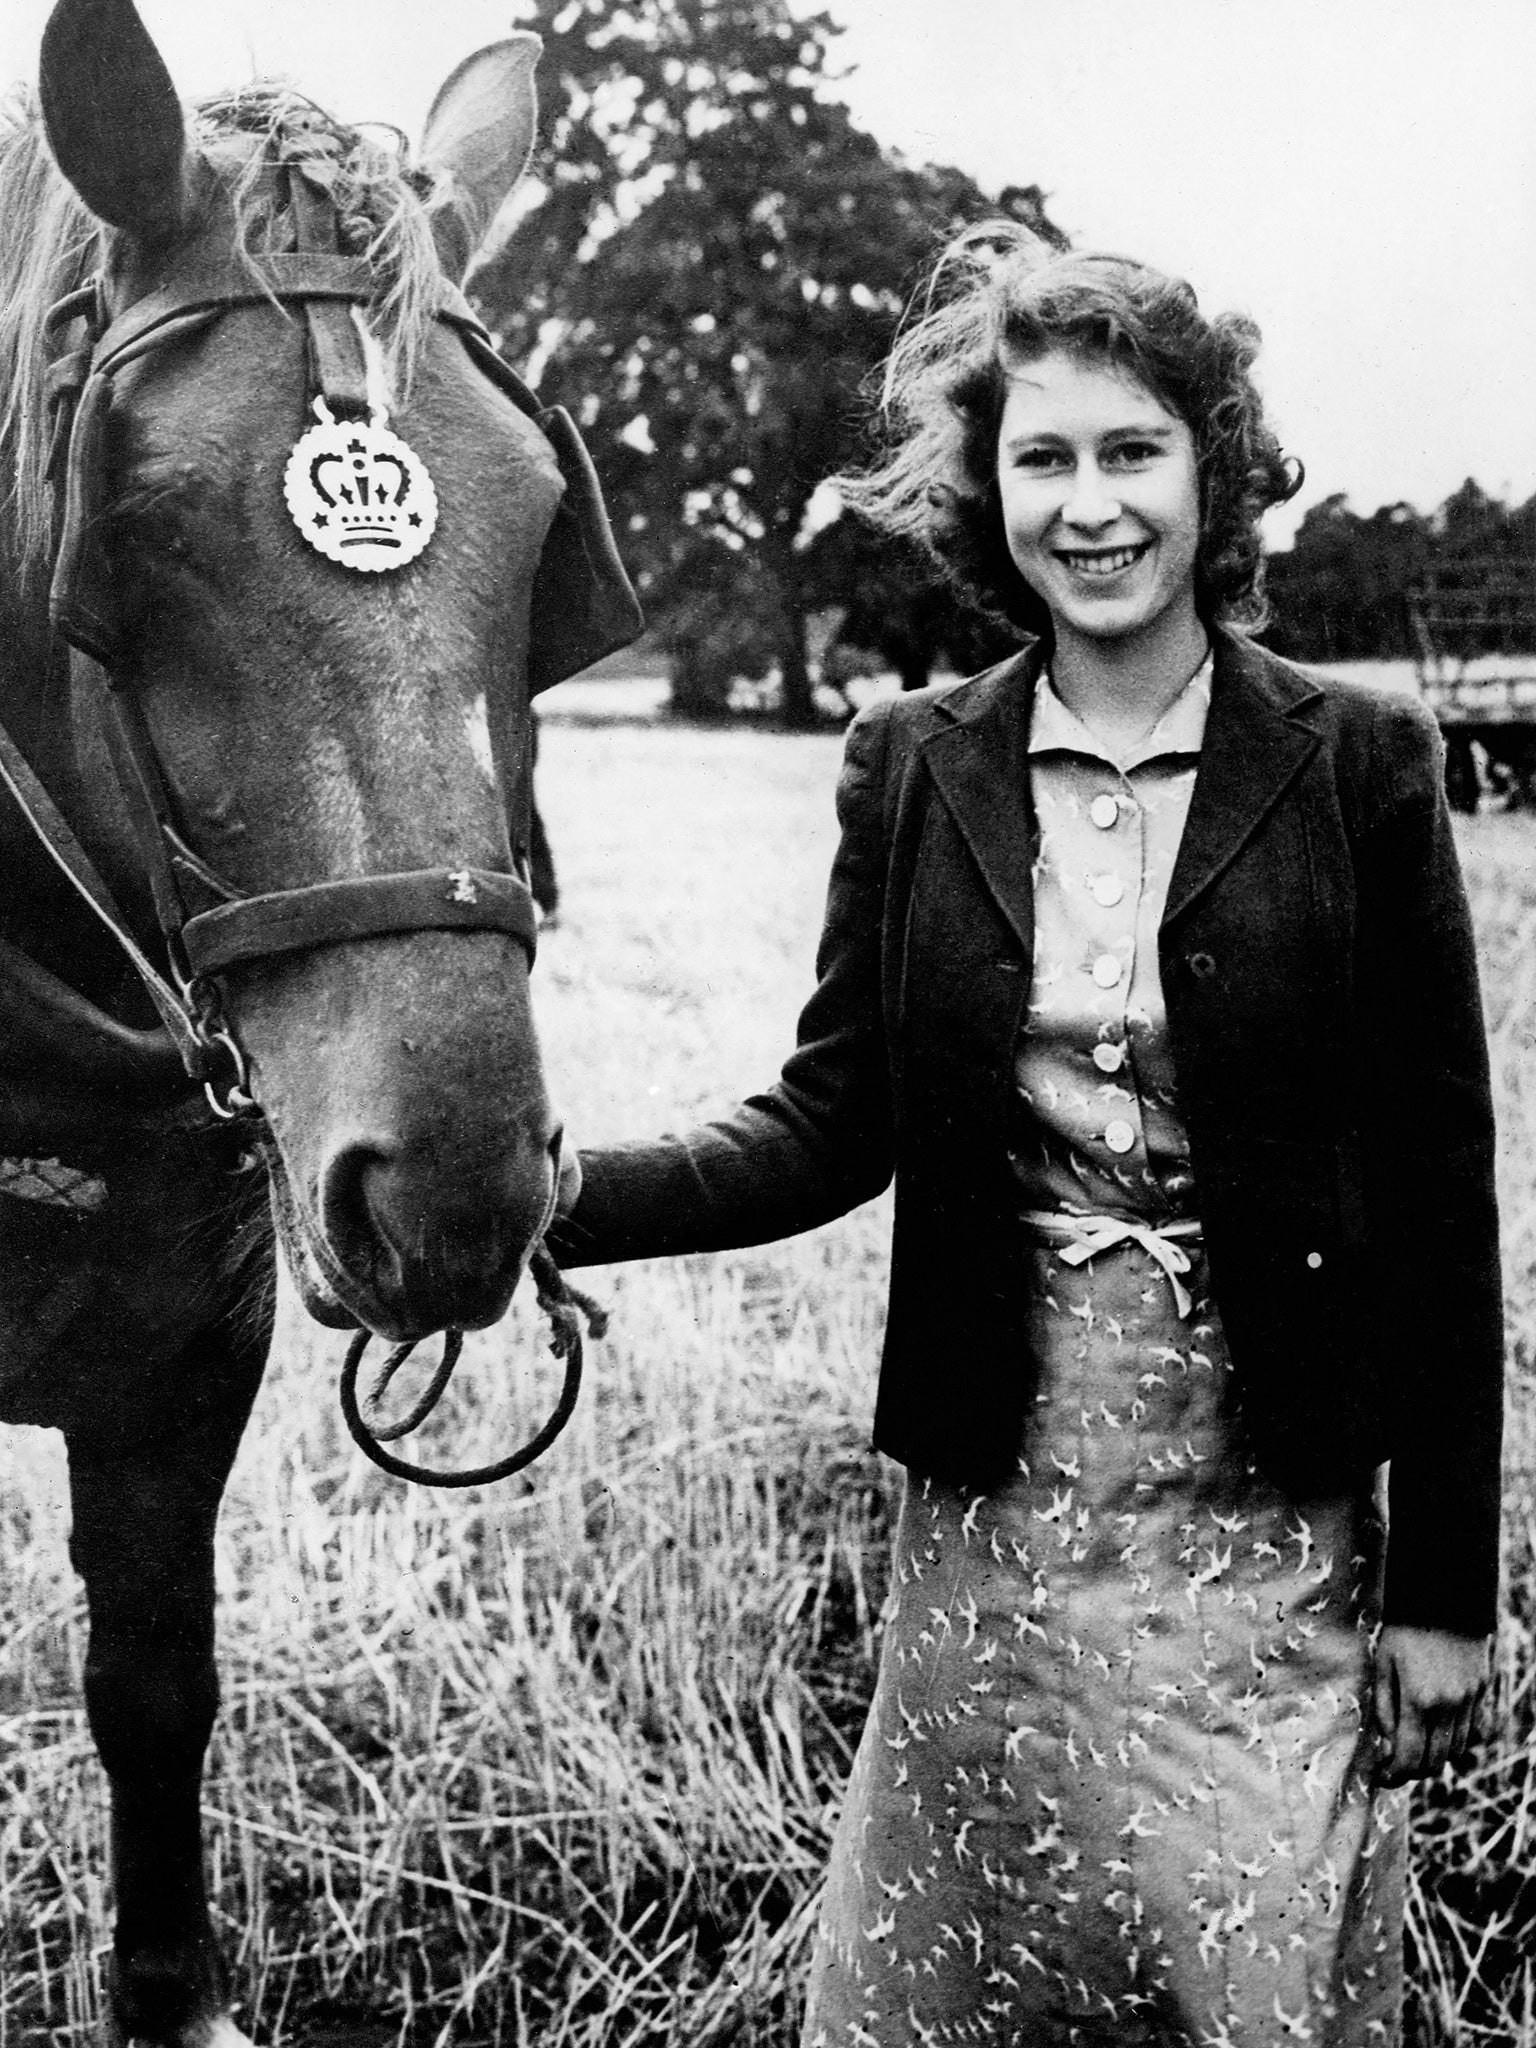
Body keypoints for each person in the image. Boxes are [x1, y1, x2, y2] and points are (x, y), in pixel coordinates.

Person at [549, 226, 1503, 2048]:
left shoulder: (1362, 769)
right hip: (997, 1518)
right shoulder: (916, 761)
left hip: (1269, 1518)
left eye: (1131, 451)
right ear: (990, 493)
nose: (1091, 505)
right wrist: (563, 1197)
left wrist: (1450, 1588)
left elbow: (1446, 1205)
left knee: (1249, 1973)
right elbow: (829, 1123)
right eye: (1042, 458)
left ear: (1211, 472)